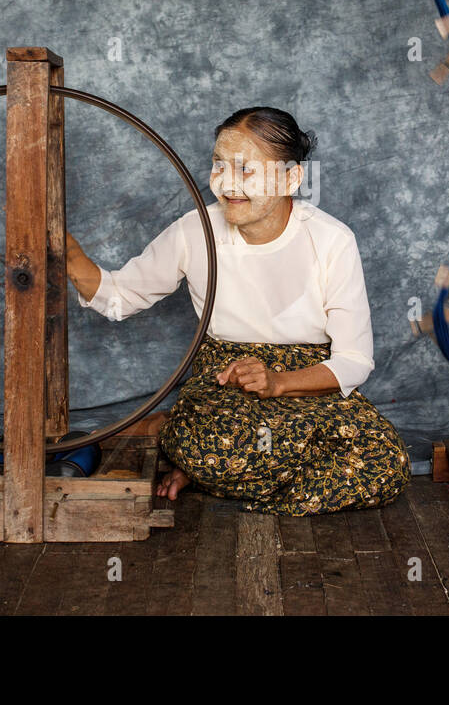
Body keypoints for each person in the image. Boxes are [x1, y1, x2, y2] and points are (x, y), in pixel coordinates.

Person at [65, 106, 410, 516]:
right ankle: (213, 463)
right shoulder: (196, 230)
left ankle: (207, 472)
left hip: (307, 384)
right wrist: (66, 252)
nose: (227, 184)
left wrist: (279, 382)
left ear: (291, 178)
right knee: (220, 446)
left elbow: (354, 360)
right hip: (225, 383)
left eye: (246, 170)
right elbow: (119, 297)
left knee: (385, 462)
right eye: (218, 166)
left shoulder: (331, 240)